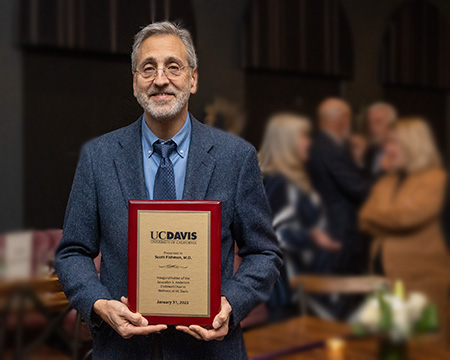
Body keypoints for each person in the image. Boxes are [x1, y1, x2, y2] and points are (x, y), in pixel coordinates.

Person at [54, 21, 282, 360]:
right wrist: (99, 304)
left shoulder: (236, 157)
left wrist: (230, 305)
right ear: (134, 82)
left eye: (173, 66)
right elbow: (72, 252)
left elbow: (264, 253)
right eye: (148, 68)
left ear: (193, 79)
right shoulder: (98, 158)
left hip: (210, 351)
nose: (160, 79)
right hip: (122, 350)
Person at [359, 118, 450, 344]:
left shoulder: (436, 179)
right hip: (385, 283)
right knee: (390, 348)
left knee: (424, 350)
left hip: (423, 286)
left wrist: (381, 216)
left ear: (414, 145)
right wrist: (387, 216)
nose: (386, 149)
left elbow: (406, 219)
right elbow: (364, 219)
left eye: (393, 143)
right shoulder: (387, 180)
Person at [259, 113, 341, 320]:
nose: (309, 143)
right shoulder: (279, 183)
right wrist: (311, 236)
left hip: (297, 290)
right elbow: (272, 234)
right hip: (288, 292)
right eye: (304, 137)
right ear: (287, 144)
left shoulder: (283, 180)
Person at [307, 98, 371, 276]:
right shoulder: (329, 148)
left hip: (329, 227)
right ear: (343, 119)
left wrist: (357, 160)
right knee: (340, 292)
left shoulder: (321, 144)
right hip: (338, 231)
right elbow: (357, 188)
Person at [364, 102, 398, 178]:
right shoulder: (370, 151)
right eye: (369, 123)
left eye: (378, 122)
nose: (372, 128)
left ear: (391, 125)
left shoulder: (399, 154)